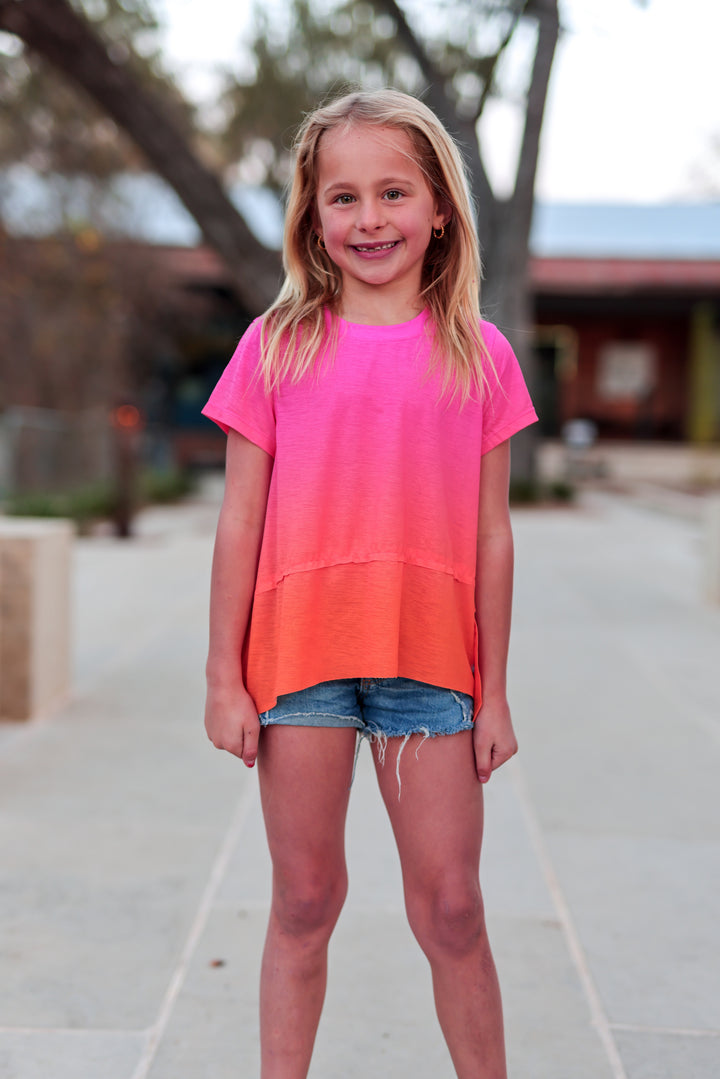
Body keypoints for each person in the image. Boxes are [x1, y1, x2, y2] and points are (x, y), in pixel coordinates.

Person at [202, 88, 537, 1079]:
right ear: (312, 216)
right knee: (304, 898)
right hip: (299, 656)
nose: (369, 218)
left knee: (453, 905)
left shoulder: (480, 353)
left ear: (440, 208)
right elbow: (240, 520)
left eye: (394, 192)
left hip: (430, 664)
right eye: (341, 198)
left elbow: (492, 532)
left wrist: (496, 690)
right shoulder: (276, 346)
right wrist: (226, 674)